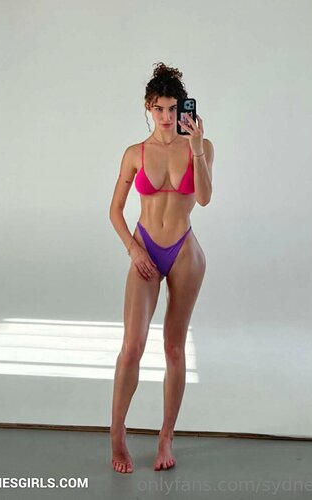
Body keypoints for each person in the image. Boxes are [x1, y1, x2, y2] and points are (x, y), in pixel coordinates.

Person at [108, 62, 214, 473]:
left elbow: (203, 198)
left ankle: (166, 436)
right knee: (132, 347)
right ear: (148, 108)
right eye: (159, 108)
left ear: (182, 108)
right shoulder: (135, 153)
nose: (167, 117)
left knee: (174, 347)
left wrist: (198, 146)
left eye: (172, 108)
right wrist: (134, 250)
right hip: (146, 249)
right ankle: (117, 434)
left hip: (185, 251)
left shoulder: (200, 146)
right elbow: (115, 211)